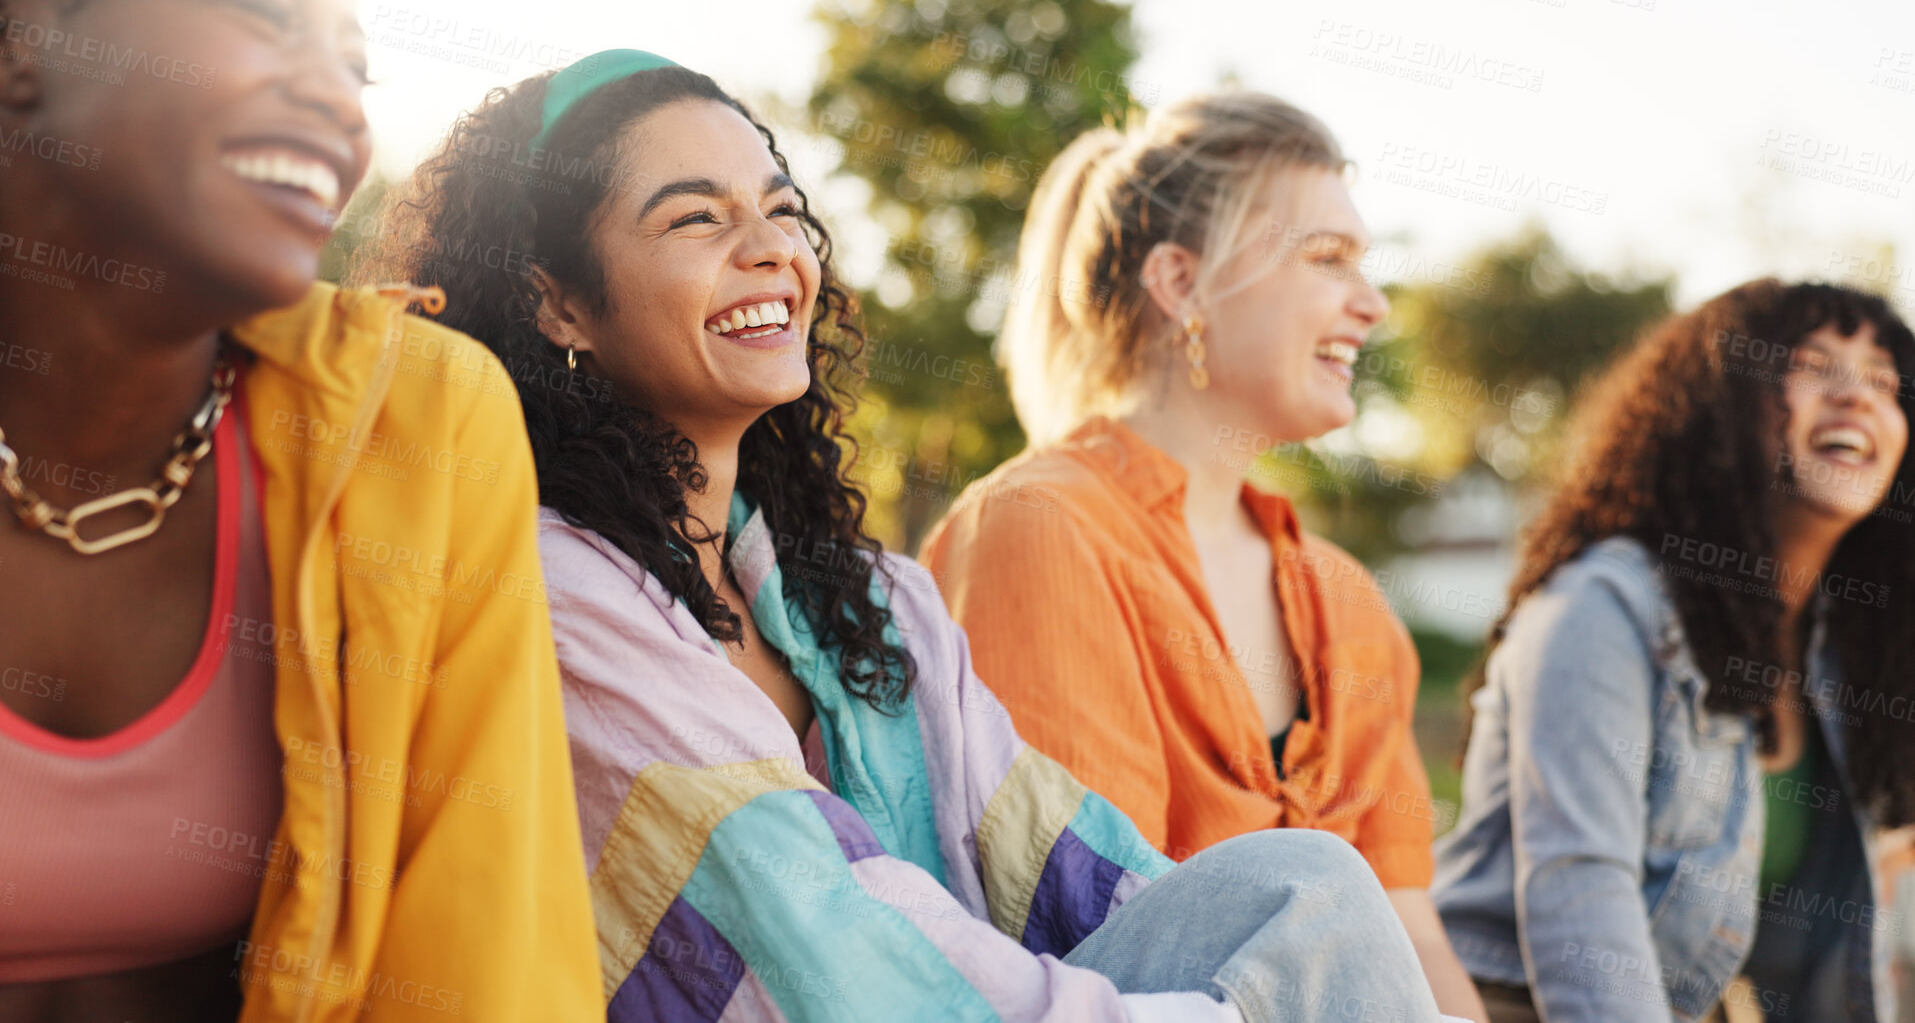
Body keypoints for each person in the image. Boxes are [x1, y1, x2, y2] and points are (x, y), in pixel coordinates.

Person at [362, 50, 1467, 1022]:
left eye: (783, 209)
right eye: (697, 217)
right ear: (557, 305)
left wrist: (1284, 978)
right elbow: (822, 948)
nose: (769, 249)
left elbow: (1077, 869)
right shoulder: (549, 588)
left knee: (1307, 892)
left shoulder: (871, 600)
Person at [0, 0, 601, 1019]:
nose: (336, 106)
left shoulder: (421, 423)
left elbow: (484, 965)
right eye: (265, 19)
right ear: (7, 48)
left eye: (355, 72)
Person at [916, 92, 1486, 1020]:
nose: (1372, 304)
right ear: (1180, 282)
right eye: (1326, 258)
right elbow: (1091, 930)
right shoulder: (1040, 528)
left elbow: (1409, 928)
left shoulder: (1348, 601)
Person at [1432, 280, 1915, 1022]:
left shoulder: (1847, 654)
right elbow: (1580, 901)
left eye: (1883, 381)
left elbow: (1835, 958)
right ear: (1719, 405)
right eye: (1814, 365)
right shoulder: (1603, 605)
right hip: (1513, 1003)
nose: (1856, 395)